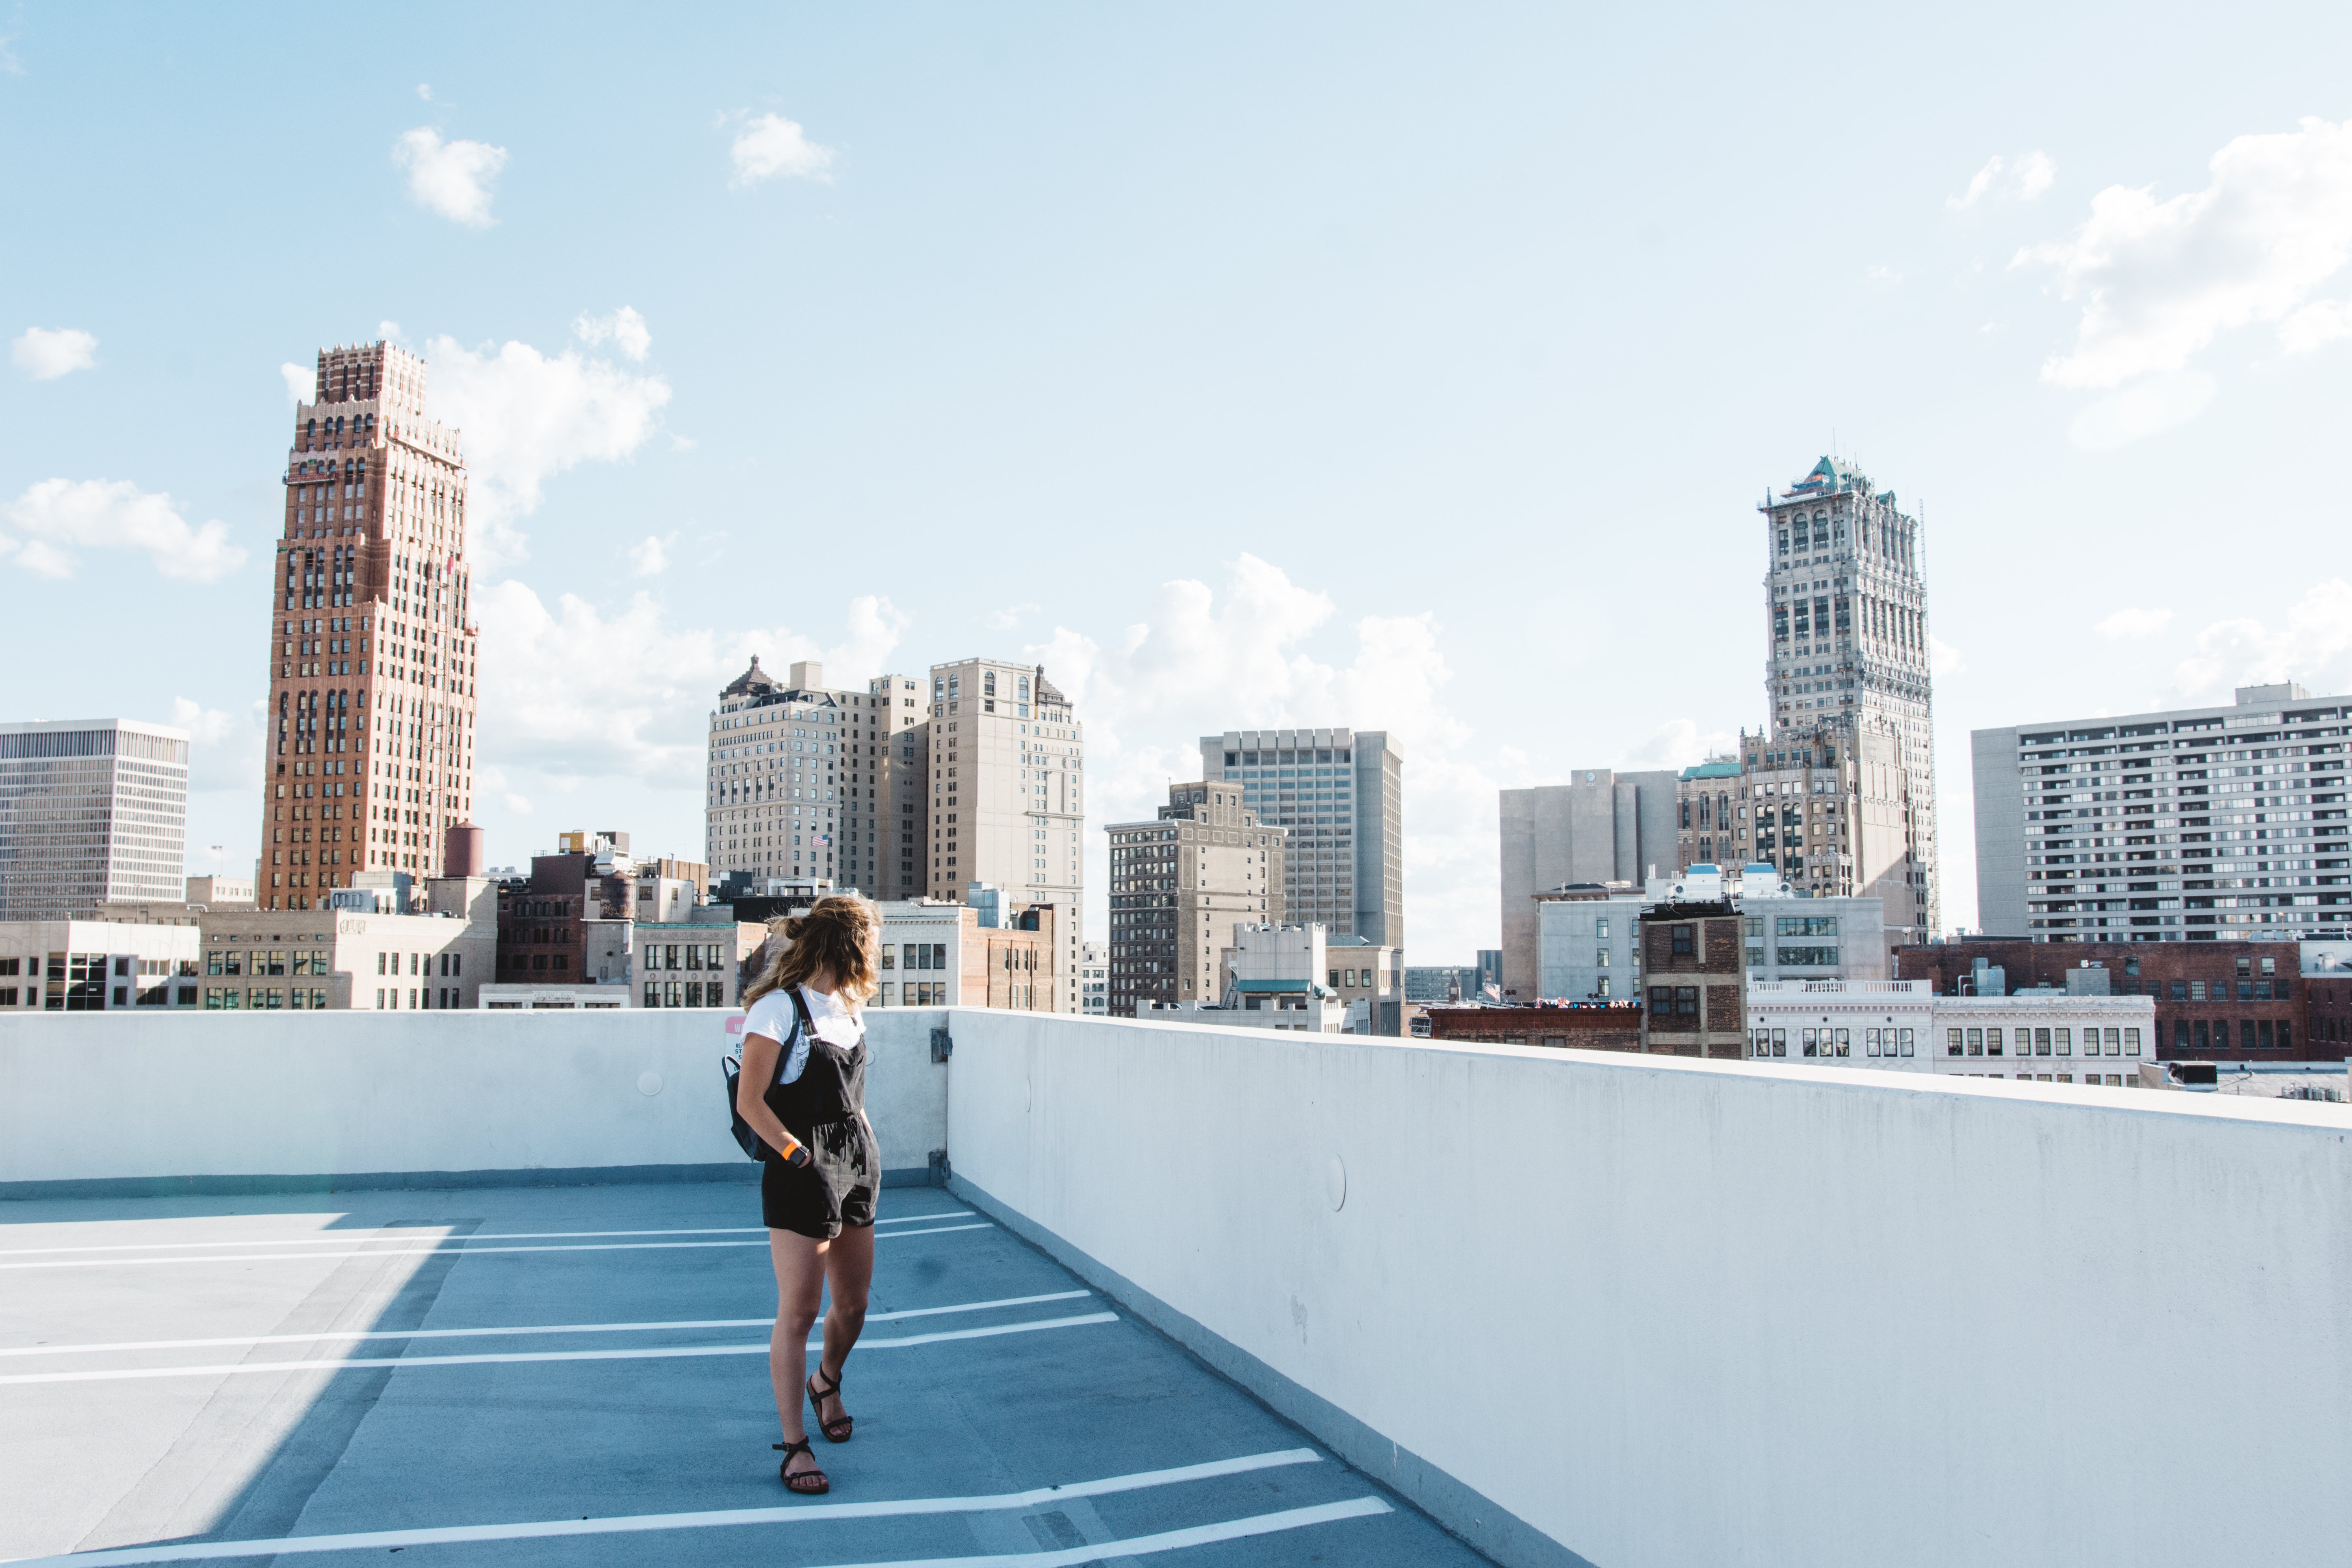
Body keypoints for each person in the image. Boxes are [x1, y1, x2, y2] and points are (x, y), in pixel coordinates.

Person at [733, 895, 881, 1495]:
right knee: (798, 1313)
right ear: (849, 944)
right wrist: (798, 1157)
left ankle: (827, 1379)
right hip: (801, 1164)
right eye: (872, 940)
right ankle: (794, 1445)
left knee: (853, 1307)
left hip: (857, 1162)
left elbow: (853, 1098)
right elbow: (751, 1102)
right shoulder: (776, 1009)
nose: (877, 951)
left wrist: (867, 1152)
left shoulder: (848, 1006)